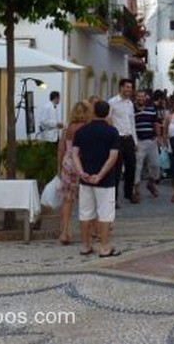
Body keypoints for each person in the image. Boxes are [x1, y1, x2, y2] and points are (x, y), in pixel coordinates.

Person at [72, 100, 122, 257]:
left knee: (85, 213)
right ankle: (105, 247)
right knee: (105, 214)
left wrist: (81, 172)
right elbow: (113, 156)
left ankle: (86, 245)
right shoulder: (112, 132)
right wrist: (100, 175)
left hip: (85, 179)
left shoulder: (81, 131)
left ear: (93, 112)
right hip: (105, 181)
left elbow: (74, 154)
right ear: (107, 113)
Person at [57, 100, 92, 245]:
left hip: (67, 163)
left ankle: (64, 231)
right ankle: (90, 232)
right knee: (86, 199)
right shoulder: (86, 129)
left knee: (67, 199)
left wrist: (59, 167)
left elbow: (60, 148)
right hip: (81, 165)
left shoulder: (68, 128)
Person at [108, 78, 138, 204]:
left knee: (131, 166)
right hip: (117, 138)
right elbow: (108, 119)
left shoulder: (130, 104)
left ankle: (128, 193)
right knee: (117, 169)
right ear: (121, 87)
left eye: (130, 88)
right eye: (127, 87)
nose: (129, 90)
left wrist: (135, 141)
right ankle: (114, 198)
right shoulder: (112, 102)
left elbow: (132, 122)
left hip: (129, 138)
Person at [134, 88, 162, 198]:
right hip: (139, 142)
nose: (140, 98)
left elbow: (156, 123)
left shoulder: (151, 109)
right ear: (136, 97)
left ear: (146, 97)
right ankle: (136, 190)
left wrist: (159, 137)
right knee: (138, 167)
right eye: (138, 96)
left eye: (142, 96)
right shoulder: (132, 109)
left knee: (155, 165)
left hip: (151, 140)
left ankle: (151, 183)